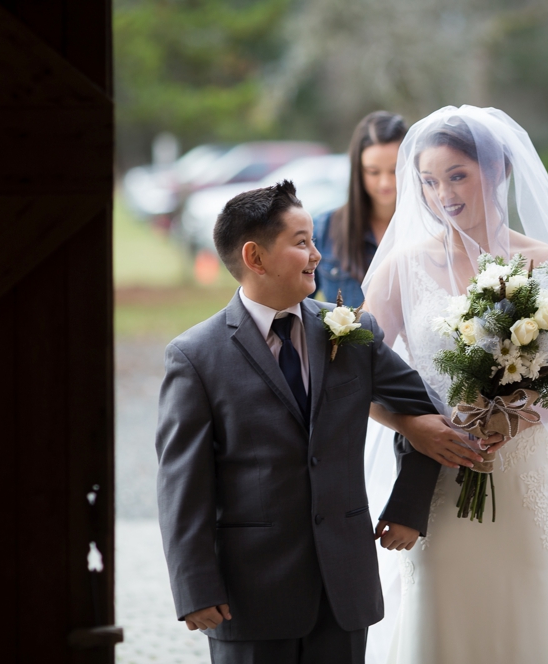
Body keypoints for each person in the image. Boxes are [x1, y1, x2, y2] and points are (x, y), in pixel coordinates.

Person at [356, 105, 548, 662]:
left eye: (457, 176)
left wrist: (515, 418)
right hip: (438, 471)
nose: (443, 194)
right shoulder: (401, 268)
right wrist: (414, 425)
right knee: (441, 612)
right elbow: (352, 376)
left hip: (520, 470)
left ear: (498, 171)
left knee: (516, 608)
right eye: (429, 182)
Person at [153, 180, 458, 663]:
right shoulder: (195, 357)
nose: (317, 254)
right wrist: (194, 584)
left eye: (313, 239)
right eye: (300, 242)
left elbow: (424, 406)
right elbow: (182, 482)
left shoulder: (353, 330)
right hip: (250, 595)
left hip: (344, 588)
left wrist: (408, 505)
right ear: (254, 258)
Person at [313, 110, 408, 307]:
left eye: (395, 169)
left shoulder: (431, 228)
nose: (385, 182)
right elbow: (295, 307)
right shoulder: (324, 229)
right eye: (373, 172)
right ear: (358, 170)